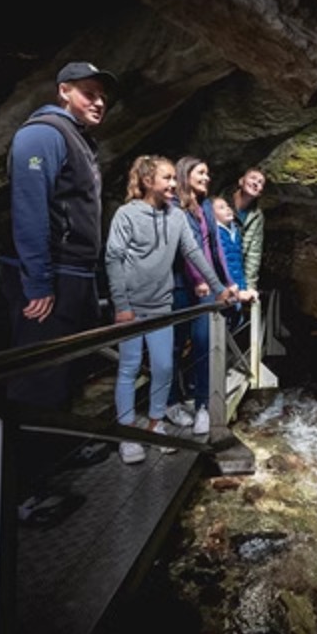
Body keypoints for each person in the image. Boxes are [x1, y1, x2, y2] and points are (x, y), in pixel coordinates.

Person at [0, 61, 117, 410]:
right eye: (89, 94)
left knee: (71, 368)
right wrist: (37, 281)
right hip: (55, 272)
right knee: (40, 374)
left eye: (102, 97)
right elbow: (29, 208)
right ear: (64, 91)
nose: (98, 102)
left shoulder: (80, 140)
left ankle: (62, 449)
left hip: (78, 273)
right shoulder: (42, 134)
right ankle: (32, 458)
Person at [104, 155, 236, 465]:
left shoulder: (176, 216)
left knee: (163, 367)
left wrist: (219, 288)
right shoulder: (127, 214)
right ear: (149, 181)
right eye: (167, 179)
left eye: (174, 179)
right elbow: (113, 259)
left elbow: (194, 253)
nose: (174, 184)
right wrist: (121, 306)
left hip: (162, 306)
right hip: (132, 309)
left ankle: (155, 425)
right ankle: (127, 434)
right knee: (129, 368)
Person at [167, 157, 231, 436]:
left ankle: (203, 406)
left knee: (204, 345)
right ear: (185, 174)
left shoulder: (205, 207)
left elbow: (215, 250)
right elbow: (184, 249)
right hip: (180, 286)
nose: (207, 177)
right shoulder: (171, 207)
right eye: (201, 172)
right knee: (173, 347)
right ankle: (171, 402)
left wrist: (225, 285)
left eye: (208, 173)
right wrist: (197, 281)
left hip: (205, 288)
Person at [213, 195, 258, 329]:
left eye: (227, 206)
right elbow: (221, 264)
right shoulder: (215, 233)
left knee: (236, 322)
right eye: (221, 208)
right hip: (224, 290)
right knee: (222, 327)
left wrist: (245, 288)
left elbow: (238, 264)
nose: (227, 209)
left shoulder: (235, 231)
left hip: (236, 288)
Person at [225, 167, 266, 293]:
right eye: (253, 178)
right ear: (241, 181)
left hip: (236, 270)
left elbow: (254, 252)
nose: (256, 183)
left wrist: (250, 287)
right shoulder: (221, 203)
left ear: (260, 192)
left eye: (260, 183)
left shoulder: (256, 216)